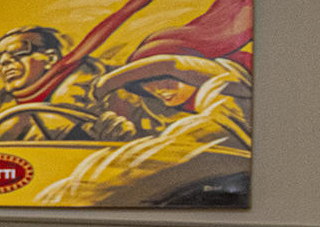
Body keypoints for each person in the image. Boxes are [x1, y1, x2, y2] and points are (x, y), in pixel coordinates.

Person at [37, 53, 251, 206]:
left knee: (87, 189)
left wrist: (105, 84)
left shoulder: (227, 86)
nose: (159, 88)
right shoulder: (181, 120)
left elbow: (169, 64)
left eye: (161, 78)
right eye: (145, 84)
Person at [0, 26, 125, 145]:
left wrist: (113, 134)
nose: (4, 64)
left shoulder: (100, 88)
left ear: (50, 58)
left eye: (18, 52)